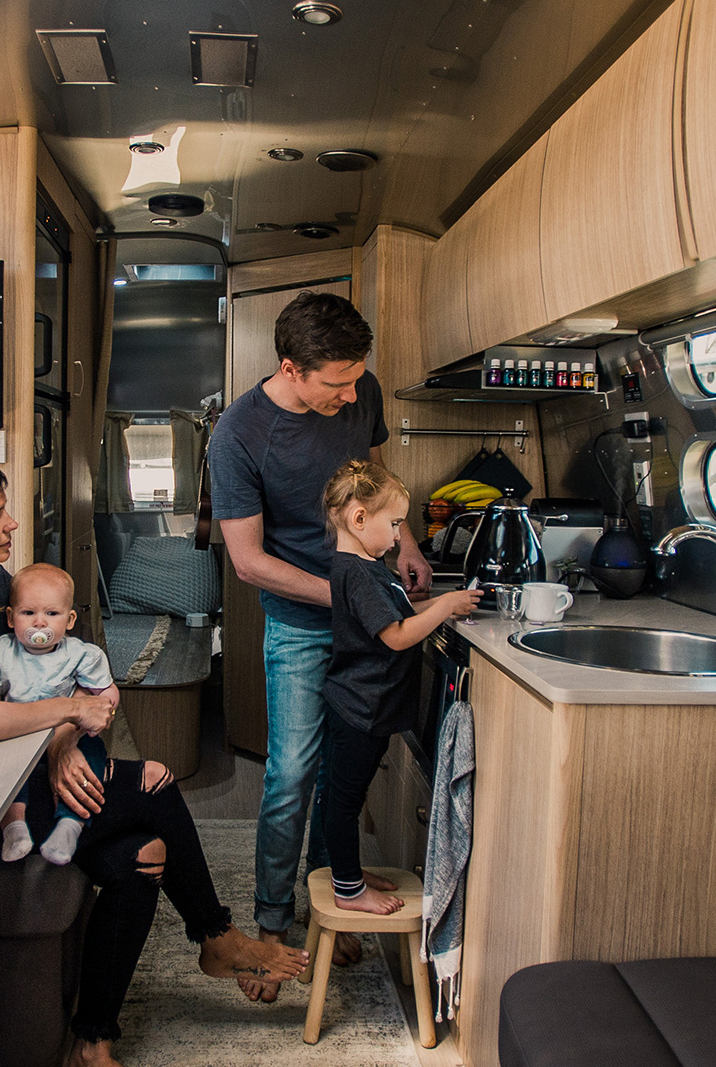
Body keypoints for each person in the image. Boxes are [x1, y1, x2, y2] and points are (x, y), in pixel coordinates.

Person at [0, 452, 306, 1067]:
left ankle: (93, 1040)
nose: (13, 525)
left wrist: (62, 735)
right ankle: (216, 937)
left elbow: (64, 682)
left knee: (145, 852)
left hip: (13, 784)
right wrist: (66, 713)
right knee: (153, 789)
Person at [206, 290, 432, 1001]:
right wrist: (353, 595)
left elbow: (374, 482)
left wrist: (404, 544)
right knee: (291, 775)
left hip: (361, 621)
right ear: (291, 369)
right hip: (303, 624)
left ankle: (329, 896)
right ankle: (271, 929)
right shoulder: (238, 434)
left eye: (357, 377)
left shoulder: (360, 389)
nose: (352, 394)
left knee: (344, 774)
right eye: (337, 382)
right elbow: (249, 562)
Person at [320, 461, 480, 912]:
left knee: (346, 798)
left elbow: (399, 613)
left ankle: (347, 871)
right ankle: (348, 890)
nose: (397, 537)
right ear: (359, 519)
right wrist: (444, 605)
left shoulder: (366, 566)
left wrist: (434, 604)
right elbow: (396, 635)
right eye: (393, 524)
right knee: (343, 803)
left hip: (363, 706)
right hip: (360, 710)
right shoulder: (358, 573)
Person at [0, 562, 118, 865]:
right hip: (17, 735)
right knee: (3, 765)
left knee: (92, 754)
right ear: (10, 617)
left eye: (52, 614)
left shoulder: (80, 654)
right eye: (28, 613)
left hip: (66, 736)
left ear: (69, 620)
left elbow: (105, 691)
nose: (39, 623)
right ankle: (14, 827)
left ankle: (69, 826)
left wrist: (100, 713)